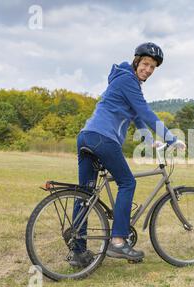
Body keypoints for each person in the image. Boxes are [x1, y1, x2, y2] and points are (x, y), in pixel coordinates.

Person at [70, 42, 185, 268]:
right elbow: (145, 112)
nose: (148, 70)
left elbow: (136, 117)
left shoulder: (123, 81)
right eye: (145, 64)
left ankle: (78, 252)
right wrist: (171, 138)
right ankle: (118, 240)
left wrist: (151, 142)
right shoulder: (127, 80)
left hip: (87, 136)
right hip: (104, 138)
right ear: (136, 61)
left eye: (153, 67)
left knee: (85, 193)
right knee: (127, 183)